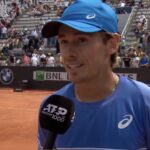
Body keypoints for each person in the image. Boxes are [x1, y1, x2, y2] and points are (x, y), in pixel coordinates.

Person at [38, 0, 150, 149]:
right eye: (64, 41)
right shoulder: (52, 109)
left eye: (81, 40)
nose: (69, 53)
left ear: (112, 44)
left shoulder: (143, 102)